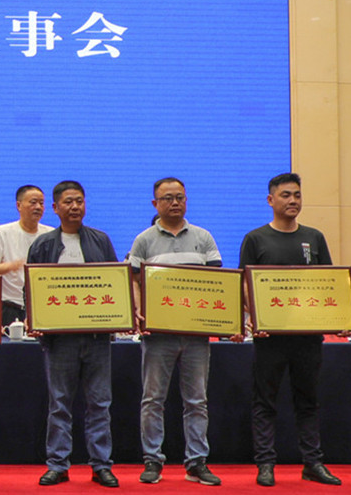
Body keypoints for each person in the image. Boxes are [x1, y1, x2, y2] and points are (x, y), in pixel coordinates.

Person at [238, 173, 340, 486]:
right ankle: (265, 464)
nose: (293, 200)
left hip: (308, 336)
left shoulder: (314, 237)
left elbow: (328, 283)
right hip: (270, 337)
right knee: (264, 402)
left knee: (308, 401)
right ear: (271, 200)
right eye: (285, 195)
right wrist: (255, 317)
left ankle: (313, 463)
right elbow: (244, 284)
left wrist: (335, 318)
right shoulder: (255, 238)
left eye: (297, 195)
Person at [24, 180, 120, 487]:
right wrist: (34, 318)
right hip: (60, 340)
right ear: (55, 208)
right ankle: (58, 465)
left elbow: (114, 282)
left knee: (100, 404)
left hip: (97, 338)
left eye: (79, 200)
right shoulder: (43, 244)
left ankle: (101, 465)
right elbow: (32, 287)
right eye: (68, 202)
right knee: (59, 404)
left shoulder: (100, 240)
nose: (75, 206)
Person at [126, 177, 221, 486]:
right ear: (155, 204)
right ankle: (153, 460)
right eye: (167, 198)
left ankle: (196, 462)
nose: (175, 202)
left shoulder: (203, 237)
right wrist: (138, 311)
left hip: (196, 334)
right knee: (153, 399)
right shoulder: (143, 240)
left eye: (180, 197)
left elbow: (218, 283)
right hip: (158, 335)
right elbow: (134, 281)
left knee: (197, 401)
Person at [0, 185, 48, 327]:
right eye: (33, 202)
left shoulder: (49, 235)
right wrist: (10, 266)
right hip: (9, 307)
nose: (38, 207)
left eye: (41, 203)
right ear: (19, 205)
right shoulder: (2, 232)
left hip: (41, 308)